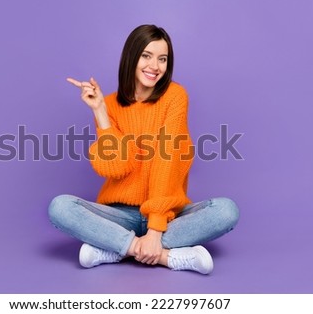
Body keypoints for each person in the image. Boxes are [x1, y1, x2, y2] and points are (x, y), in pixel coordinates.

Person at [48, 24, 239, 274]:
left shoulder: (175, 96)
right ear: (132, 57)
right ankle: (166, 257)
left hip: (167, 216)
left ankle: (114, 249)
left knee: (226, 211)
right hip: (119, 215)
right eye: (146, 56)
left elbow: (167, 160)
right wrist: (101, 113)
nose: (155, 66)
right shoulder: (109, 105)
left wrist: (155, 228)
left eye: (162, 59)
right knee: (60, 207)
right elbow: (116, 167)